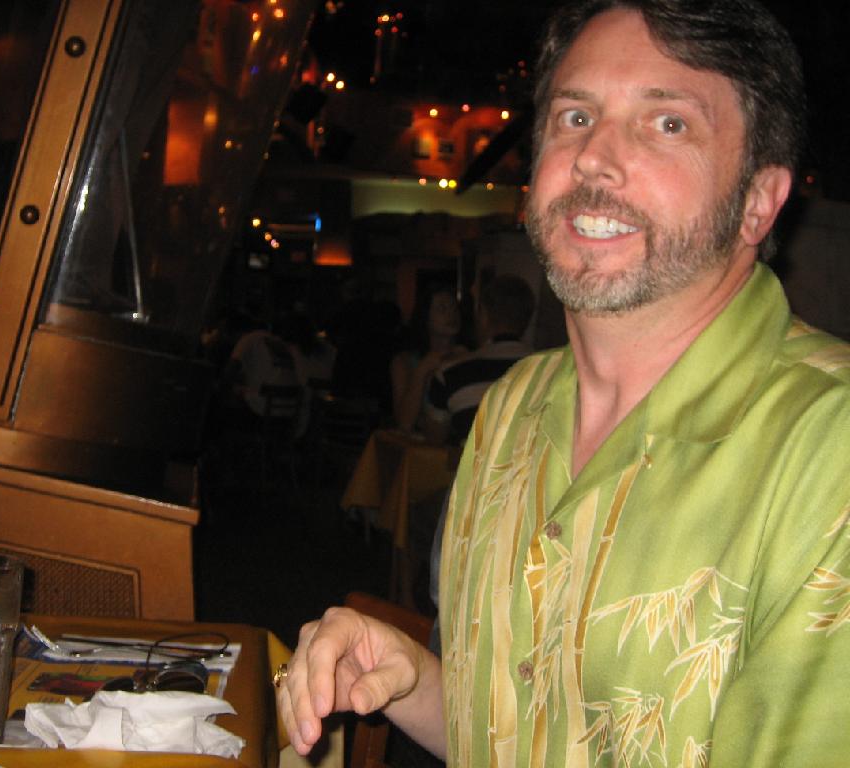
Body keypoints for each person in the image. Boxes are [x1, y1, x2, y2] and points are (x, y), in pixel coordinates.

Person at [276, 2, 850, 766]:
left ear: (758, 202)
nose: (594, 158)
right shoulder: (512, 406)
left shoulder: (830, 454)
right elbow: (518, 737)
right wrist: (412, 679)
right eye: (575, 117)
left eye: (667, 123)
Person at [421, 274, 536, 445]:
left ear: (483, 315)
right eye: (442, 309)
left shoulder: (452, 373)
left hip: (474, 462)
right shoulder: (550, 371)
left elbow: (433, 439)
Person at [390, 287, 468, 432]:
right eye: (442, 308)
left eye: (454, 308)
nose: (451, 314)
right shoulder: (404, 362)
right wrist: (422, 371)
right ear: (425, 316)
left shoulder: (468, 356)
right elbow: (404, 423)